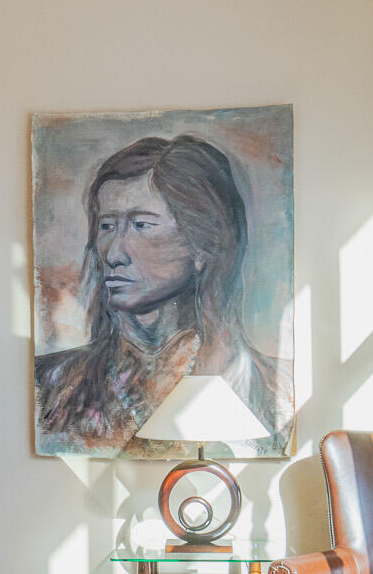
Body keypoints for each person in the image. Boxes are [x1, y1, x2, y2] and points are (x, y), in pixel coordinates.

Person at [35, 131, 287, 454]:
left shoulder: (270, 389)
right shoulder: (49, 384)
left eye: (141, 225)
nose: (113, 254)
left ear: (202, 245)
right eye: (107, 226)